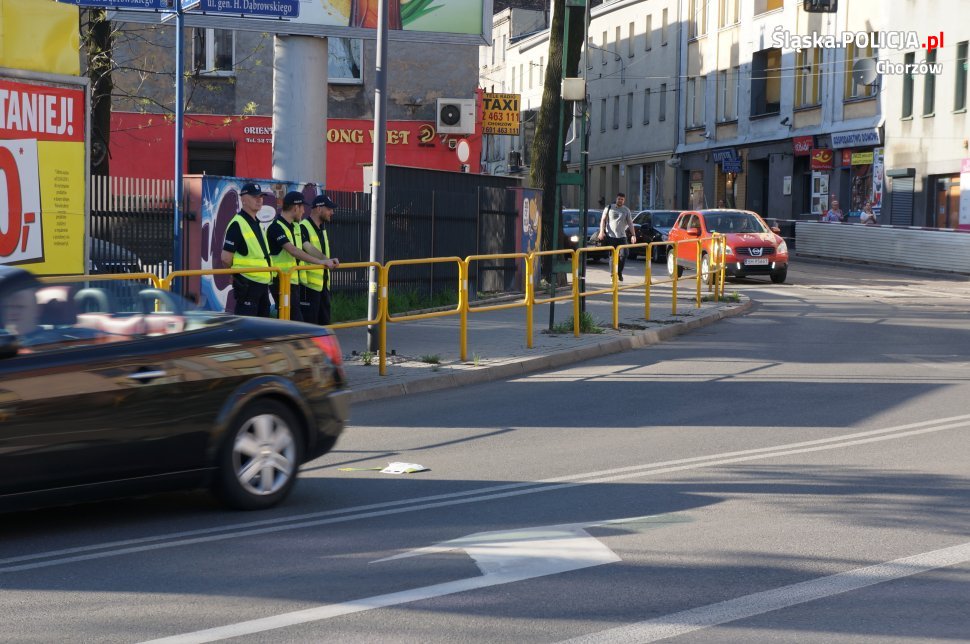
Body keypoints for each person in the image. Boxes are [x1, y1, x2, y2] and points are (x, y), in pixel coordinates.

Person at [266, 191, 337, 322]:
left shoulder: (295, 227)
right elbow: (293, 251)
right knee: (293, 321)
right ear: (295, 207)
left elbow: (308, 247)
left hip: (293, 281)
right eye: (302, 207)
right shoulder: (275, 227)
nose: (304, 211)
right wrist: (320, 262)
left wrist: (326, 260)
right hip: (281, 281)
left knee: (290, 321)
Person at [221, 182, 274, 317]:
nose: (259, 200)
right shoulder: (237, 224)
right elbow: (226, 258)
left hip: (262, 284)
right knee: (247, 329)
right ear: (243, 199)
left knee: (261, 330)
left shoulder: (256, 222)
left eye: (261, 196)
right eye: (254, 196)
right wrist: (235, 274)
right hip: (248, 284)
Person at [300, 193, 340, 325]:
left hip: (323, 285)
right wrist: (326, 260)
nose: (332, 212)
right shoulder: (303, 226)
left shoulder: (322, 228)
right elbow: (307, 248)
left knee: (325, 324)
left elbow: (320, 252)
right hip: (308, 286)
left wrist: (329, 260)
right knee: (310, 326)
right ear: (318, 209)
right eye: (329, 209)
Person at [597, 192, 636, 281]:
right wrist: (601, 232)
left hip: (622, 237)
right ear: (616, 199)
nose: (620, 201)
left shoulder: (626, 210)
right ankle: (612, 275)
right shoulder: (609, 207)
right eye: (619, 199)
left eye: (622, 199)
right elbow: (603, 220)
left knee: (624, 255)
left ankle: (619, 272)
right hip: (611, 236)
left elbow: (630, 223)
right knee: (612, 257)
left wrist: (633, 235)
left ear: (624, 200)